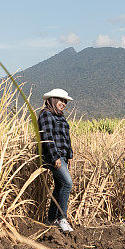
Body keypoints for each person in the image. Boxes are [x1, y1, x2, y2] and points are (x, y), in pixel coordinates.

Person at [38, 88, 75, 233]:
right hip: (53, 157)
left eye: (65, 101)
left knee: (60, 186)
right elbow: (47, 138)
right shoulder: (46, 115)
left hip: (63, 156)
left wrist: (69, 155)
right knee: (67, 183)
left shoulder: (60, 116)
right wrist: (55, 157)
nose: (64, 103)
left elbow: (66, 137)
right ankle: (62, 218)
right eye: (61, 100)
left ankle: (50, 219)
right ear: (53, 100)